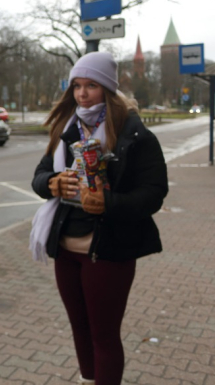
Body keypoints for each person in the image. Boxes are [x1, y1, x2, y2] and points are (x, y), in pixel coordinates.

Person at [29, 52, 168, 385]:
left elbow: (153, 193)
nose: (81, 94)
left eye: (91, 85)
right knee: (79, 327)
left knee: (103, 335)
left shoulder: (134, 134)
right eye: (77, 86)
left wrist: (108, 203)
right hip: (65, 246)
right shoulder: (67, 129)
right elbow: (39, 175)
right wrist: (52, 183)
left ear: (107, 88)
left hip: (108, 250)